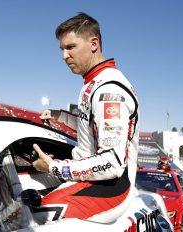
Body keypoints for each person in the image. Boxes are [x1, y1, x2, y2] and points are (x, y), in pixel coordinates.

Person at [32, 12, 140, 223]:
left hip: (112, 185)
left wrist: (55, 167)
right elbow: (91, 123)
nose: (64, 56)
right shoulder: (94, 82)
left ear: (93, 43)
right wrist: (59, 116)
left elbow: (112, 163)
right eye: (62, 49)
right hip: (93, 177)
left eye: (70, 47)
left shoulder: (108, 90)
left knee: (35, 217)